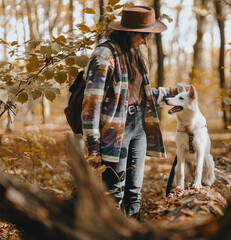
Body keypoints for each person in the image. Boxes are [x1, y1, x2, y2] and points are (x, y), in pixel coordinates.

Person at [81, 5, 176, 220]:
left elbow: (139, 95)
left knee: (134, 192)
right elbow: (91, 104)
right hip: (114, 131)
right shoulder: (105, 54)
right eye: (144, 35)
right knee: (114, 193)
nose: (146, 40)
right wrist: (93, 148)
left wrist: (172, 93)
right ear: (129, 32)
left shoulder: (136, 54)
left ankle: (133, 231)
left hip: (139, 126)